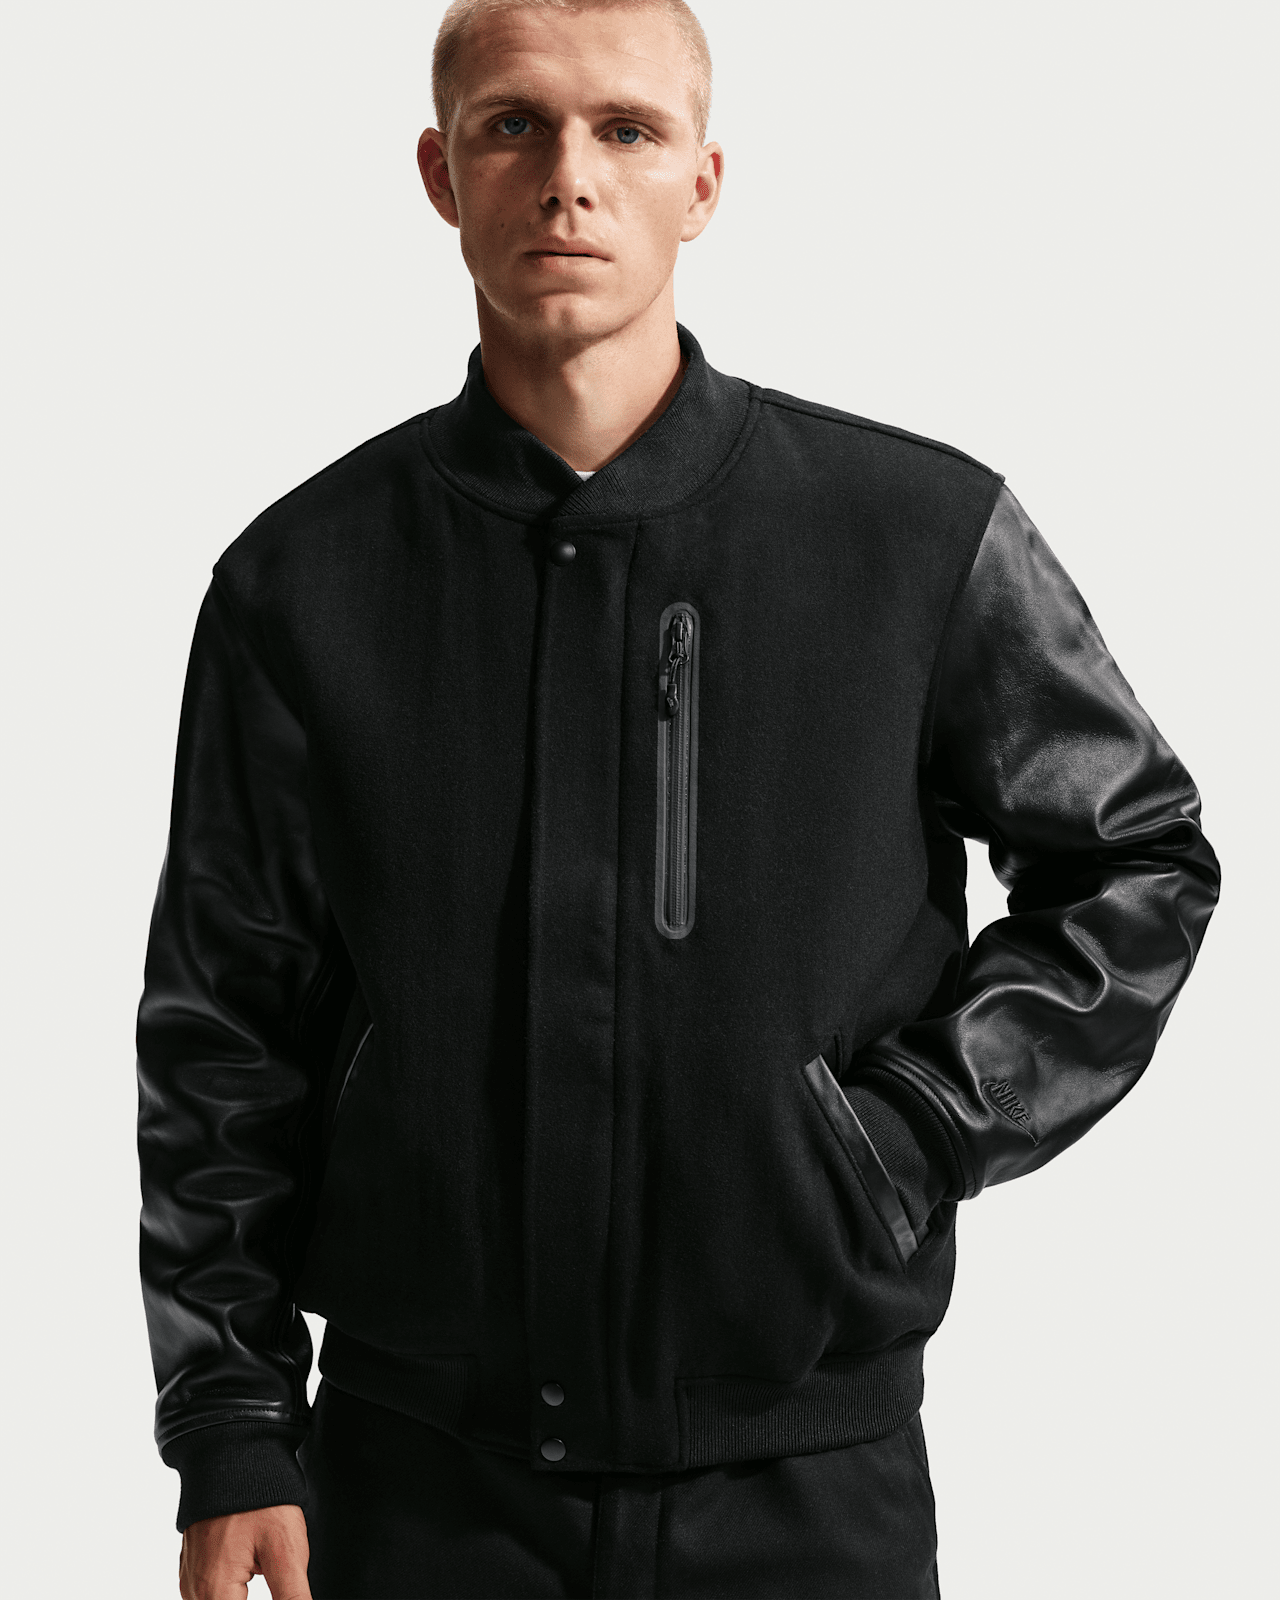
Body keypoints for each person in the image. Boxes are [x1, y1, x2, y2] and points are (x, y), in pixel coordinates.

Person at [137, 1, 1219, 1596]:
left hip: (807, 1492)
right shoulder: (303, 583)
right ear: (441, 174)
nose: (569, 176)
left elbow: (1138, 860)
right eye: (514, 125)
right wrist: (231, 1418)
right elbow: (221, 1023)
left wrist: (913, 1129)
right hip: (420, 1485)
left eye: (627, 130)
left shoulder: (913, 538)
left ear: (704, 182)